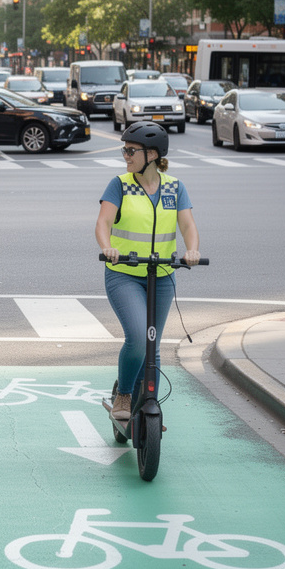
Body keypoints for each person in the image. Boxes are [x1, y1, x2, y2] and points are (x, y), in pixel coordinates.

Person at [95, 122, 200, 422]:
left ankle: (147, 402)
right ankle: (125, 393)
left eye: (131, 150)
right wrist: (107, 247)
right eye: (124, 149)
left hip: (162, 274)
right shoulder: (120, 184)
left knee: (153, 345)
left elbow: (188, 225)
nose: (125, 155)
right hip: (124, 273)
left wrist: (192, 250)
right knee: (140, 337)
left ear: (152, 154)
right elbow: (103, 223)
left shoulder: (174, 187)